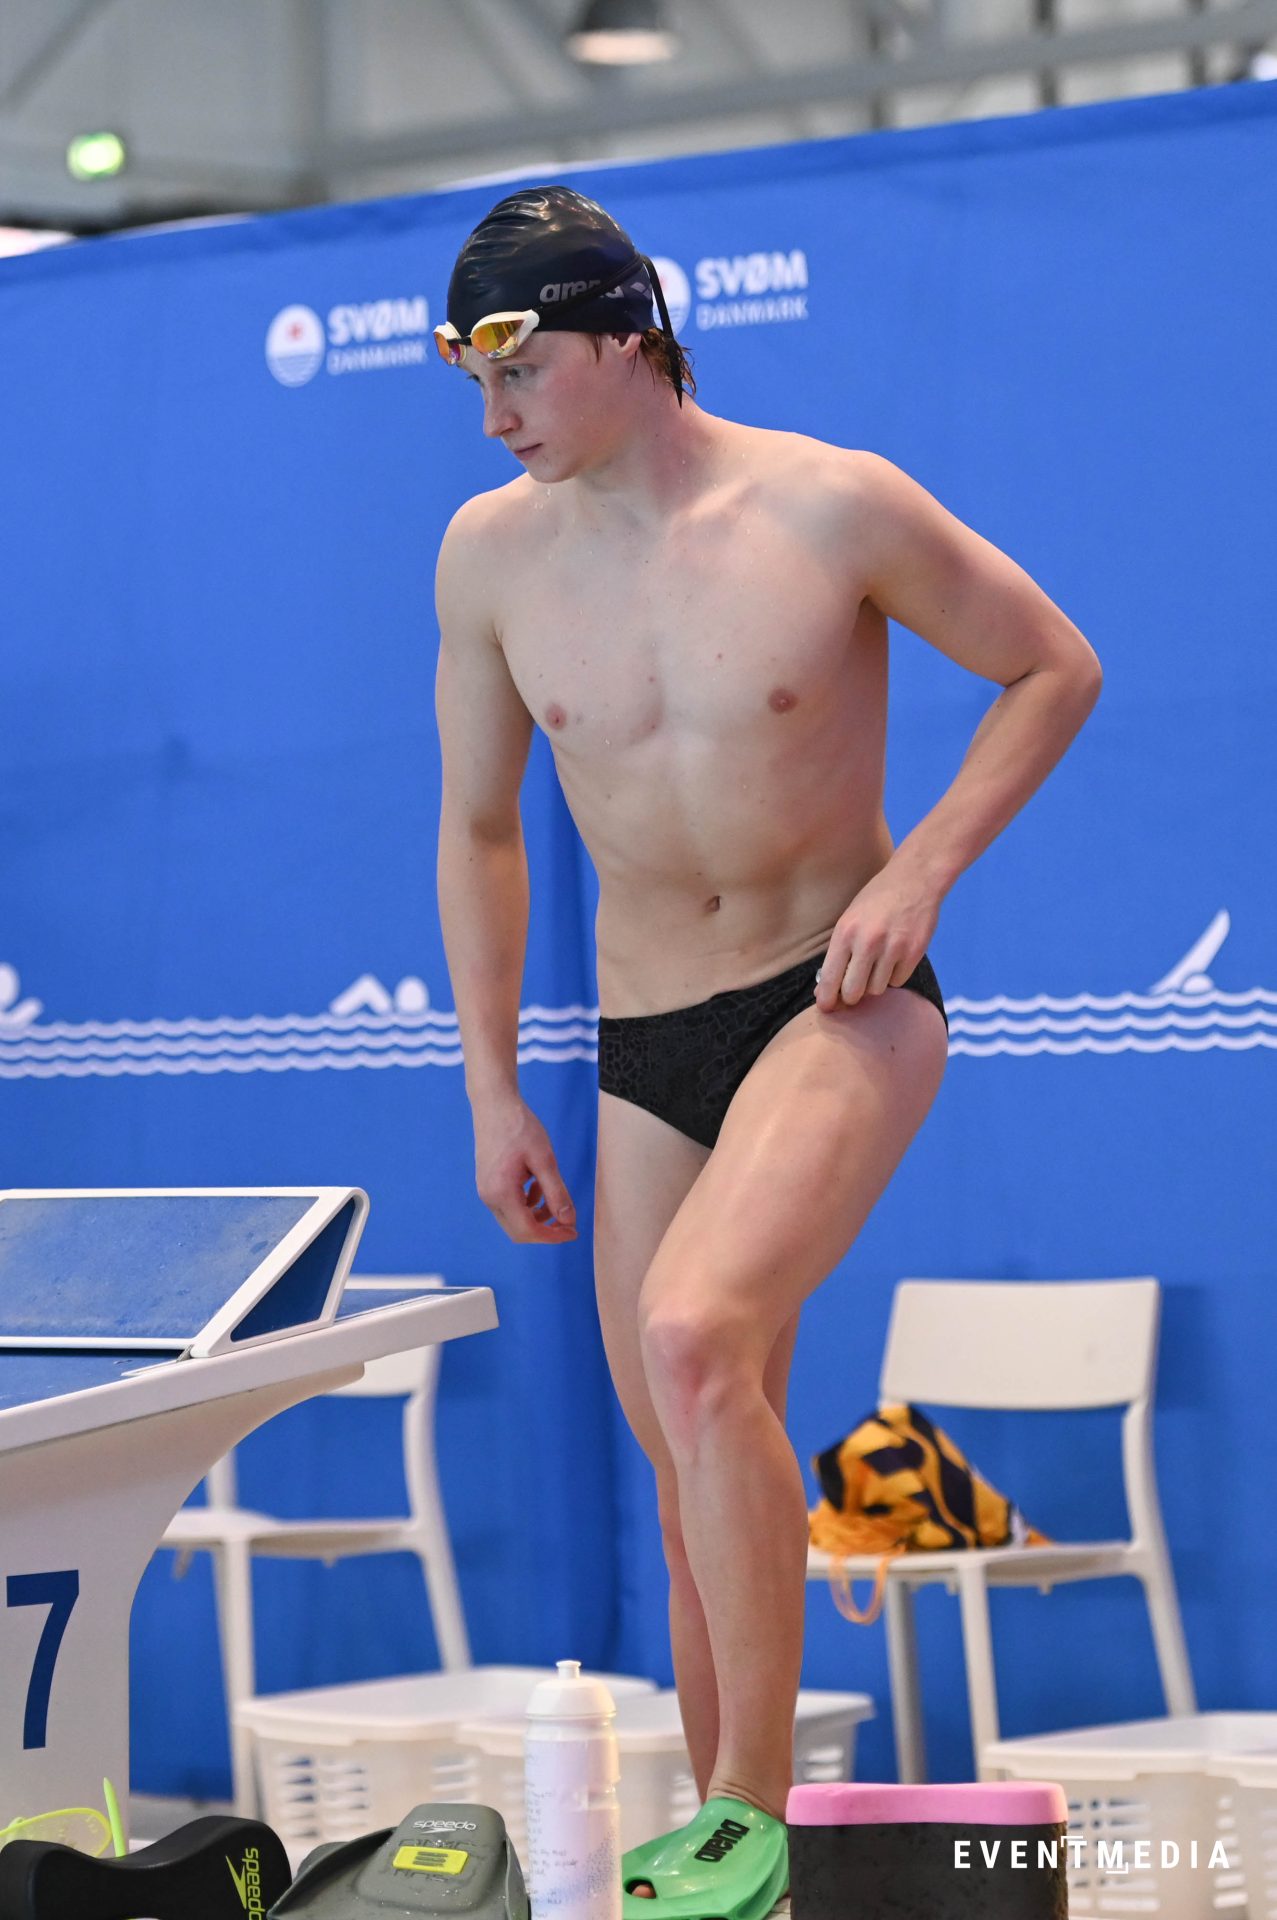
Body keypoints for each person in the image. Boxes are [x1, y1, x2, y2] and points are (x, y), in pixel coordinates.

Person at [433, 185, 1101, 1920]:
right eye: (471, 377)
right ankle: (727, 1870)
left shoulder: (829, 503)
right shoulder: (487, 555)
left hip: (834, 1001)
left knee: (691, 1334)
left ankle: (748, 1808)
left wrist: (919, 868)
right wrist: (495, 1085)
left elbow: (1049, 667)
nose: (492, 415)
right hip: (641, 1039)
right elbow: (482, 831)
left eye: (517, 367)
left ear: (628, 337)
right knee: (683, 1469)